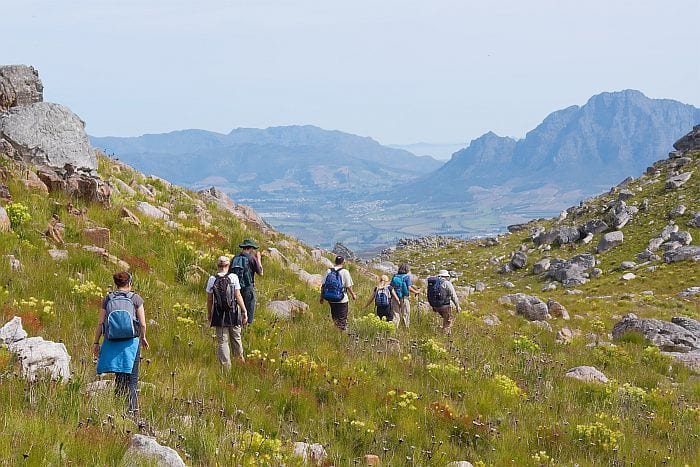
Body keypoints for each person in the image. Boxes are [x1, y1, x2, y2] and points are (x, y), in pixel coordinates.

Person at [93, 271, 149, 414]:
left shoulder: (108, 299)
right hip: (131, 343)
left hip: (112, 342)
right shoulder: (135, 298)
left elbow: (100, 323)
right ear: (130, 283)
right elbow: (142, 324)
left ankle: (117, 409)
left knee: (119, 377)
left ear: (116, 284)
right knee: (132, 379)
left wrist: (96, 342)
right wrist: (143, 337)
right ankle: (132, 411)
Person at [207, 256, 249, 369]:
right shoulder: (233, 277)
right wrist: (244, 311)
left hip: (218, 314)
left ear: (218, 266)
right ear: (228, 265)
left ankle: (226, 369)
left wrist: (209, 314)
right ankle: (239, 363)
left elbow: (210, 299)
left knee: (222, 342)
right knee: (236, 338)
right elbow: (238, 295)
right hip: (233, 312)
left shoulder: (212, 279)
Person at [229, 239, 263, 325]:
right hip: (248, 288)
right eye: (253, 249)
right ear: (250, 248)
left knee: (236, 310)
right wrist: (259, 259)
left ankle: (236, 326)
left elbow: (229, 273)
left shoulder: (235, 258)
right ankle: (246, 327)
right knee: (249, 310)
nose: (254, 251)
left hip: (235, 288)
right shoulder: (252, 258)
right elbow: (261, 273)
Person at [319, 255, 357, 331]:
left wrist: (321, 297)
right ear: (343, 262)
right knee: (342, 319)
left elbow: (323, 286)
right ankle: (340, 334)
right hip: (342, 299)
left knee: (335, 318)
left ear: (335, 262)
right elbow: (348, 286)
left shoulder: (329, 271)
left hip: (331, 298)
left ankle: (335, 332)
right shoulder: (345, 272)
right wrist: (353, 295)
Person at [427, 269, 461, 334]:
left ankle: (441, 332)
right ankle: (444, 336)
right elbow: (453, 295)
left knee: (441, 320)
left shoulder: (434, 283)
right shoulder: (447, 283)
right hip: (445, 306)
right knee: (447, 323)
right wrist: (457, 306)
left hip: (435, 306)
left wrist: (433, 305)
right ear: (446, 276)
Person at [391, 263, 421, 329]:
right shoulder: (407, 277)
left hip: (394, 297)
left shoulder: (395, 276)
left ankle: (394, 328)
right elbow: (409, 288)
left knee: (395, 314)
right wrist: (416, 291)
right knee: (405, 313)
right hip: (404, 298)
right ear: (407, 269)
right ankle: (405, 328)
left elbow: (391, 287)